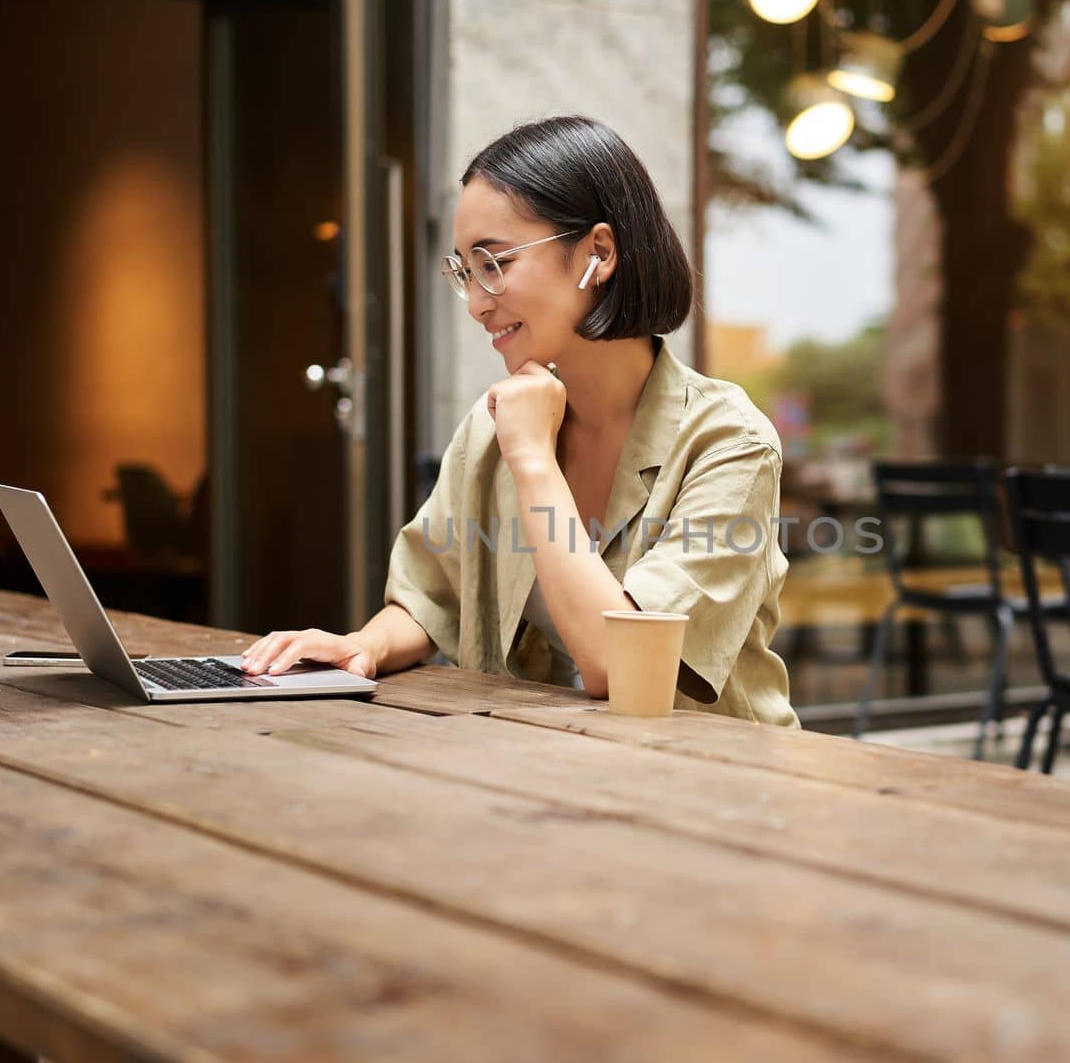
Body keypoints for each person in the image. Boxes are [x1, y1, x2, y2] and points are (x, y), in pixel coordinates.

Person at [243, 115, 794, 727]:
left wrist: (533, 462)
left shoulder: (729, 443)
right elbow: (431, 598)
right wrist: (363, 646)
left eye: (495, 263)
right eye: (465, 272)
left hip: (718, 787)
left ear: (598, 254)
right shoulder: (494, 426)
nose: (478, 302)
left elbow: (621, 665)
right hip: (539, 771)